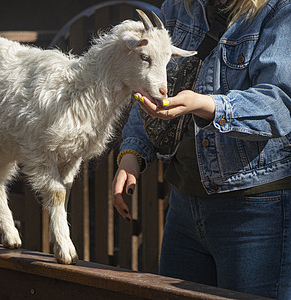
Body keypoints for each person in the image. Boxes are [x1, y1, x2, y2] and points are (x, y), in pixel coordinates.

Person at [112, 0, 291, 298]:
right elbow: (147, 87)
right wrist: (132, 155)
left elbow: (280, 103)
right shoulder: (179, 7)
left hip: (256, 211)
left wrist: (208, 106)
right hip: (183, 205)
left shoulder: (279, 9)